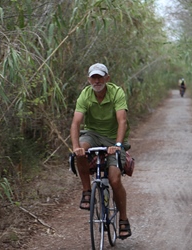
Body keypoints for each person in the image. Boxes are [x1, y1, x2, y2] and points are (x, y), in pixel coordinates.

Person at [70, 63, 132, 240]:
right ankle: (87, 192)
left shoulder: (117, 93)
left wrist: (118, 145)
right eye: (93, 77)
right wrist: (76, 147)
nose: (96, 81)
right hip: (93, 135)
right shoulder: (85, 94)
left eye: (100, 77)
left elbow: (122, 121)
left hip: (113, 139)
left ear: (107, 78)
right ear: (89, 79)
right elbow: (76, 123)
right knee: (80, 150)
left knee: (114, 179)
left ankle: (123, 220)